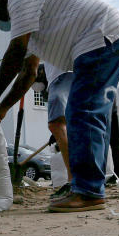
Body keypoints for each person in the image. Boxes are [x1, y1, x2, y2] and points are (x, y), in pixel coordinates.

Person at [0, 0, 119, 213]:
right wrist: (3, 107)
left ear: (1, 4)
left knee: (82, 112)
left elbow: (15, 52)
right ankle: (89, 187)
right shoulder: (32, 28)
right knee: (90, 112)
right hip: (107, 36)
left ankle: (88, 191)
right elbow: (28, 72)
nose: (1, 26)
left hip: (100, 35)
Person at [42, 62, 74, 200]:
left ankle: (74, 181)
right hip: (82, 73)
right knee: (78, 123)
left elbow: (28, 72)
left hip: (62, 75)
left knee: (55, 124)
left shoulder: (47, 72)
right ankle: (86, 182)